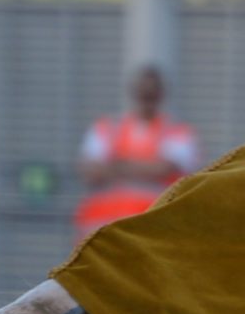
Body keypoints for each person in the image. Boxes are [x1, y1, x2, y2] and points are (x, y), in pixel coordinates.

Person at [75, 65, 200, 241]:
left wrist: (116, 164)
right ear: (133, 91)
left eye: (151, 91)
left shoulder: (177, 132)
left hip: (152, 233)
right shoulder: (108, 128)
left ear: (161, 94)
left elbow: (164, 169)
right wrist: (144, 168)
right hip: (102, 234)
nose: (146, 95)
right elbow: (90, 171)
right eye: (143, 89)